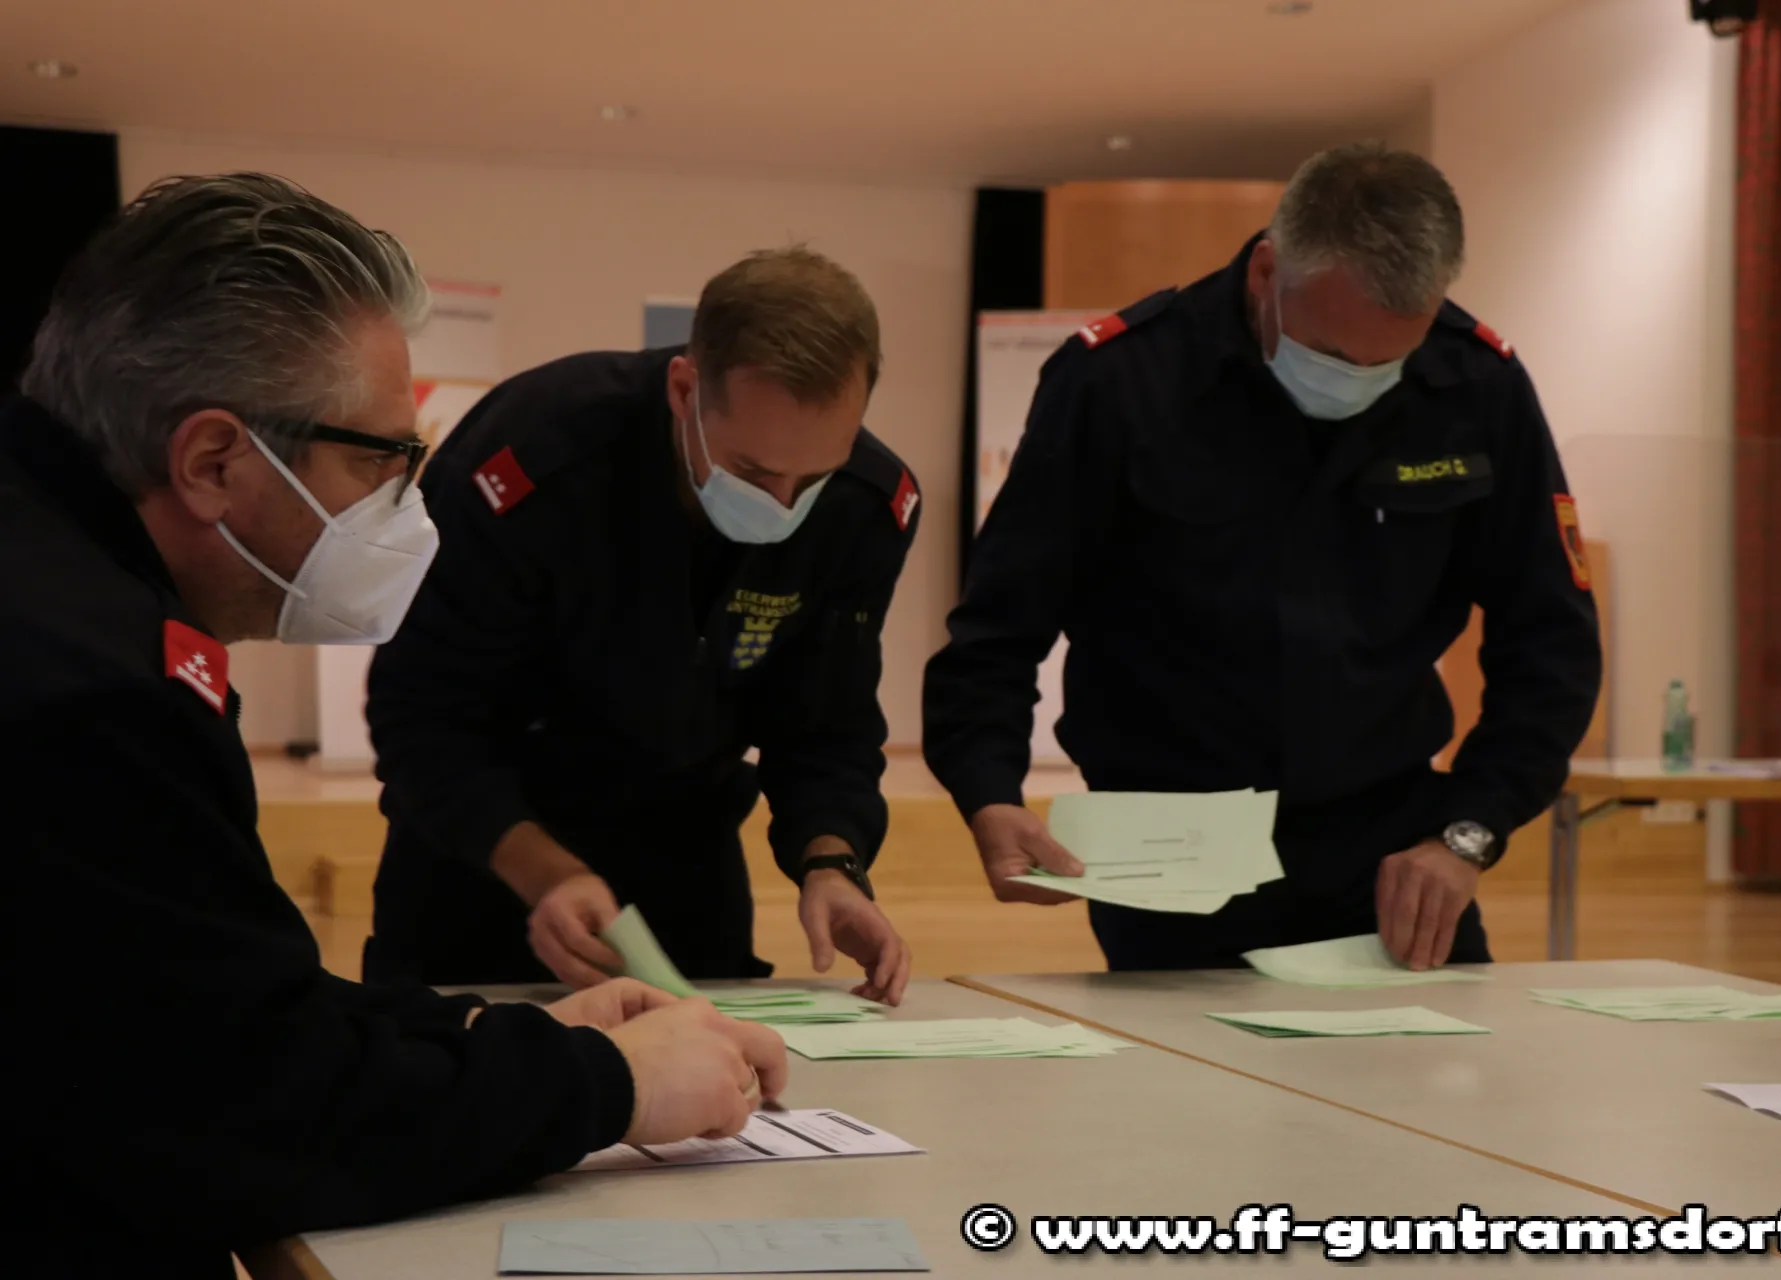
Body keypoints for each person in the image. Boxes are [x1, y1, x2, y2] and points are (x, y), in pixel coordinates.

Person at [0, 173, 787, 1280]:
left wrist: (500, 1038)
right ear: (215, 461)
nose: (405, 503)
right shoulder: (94, 688)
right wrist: (614, 1087)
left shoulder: (54, 575)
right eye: (379, 459)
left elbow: (207, 993)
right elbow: (252, 1108)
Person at [923, 143, 1602, 973]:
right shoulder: (1121, 383)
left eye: (1390, 362)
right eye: (1335, 354)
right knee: (1180, 1063)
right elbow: (998, 629)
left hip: (1392, 850)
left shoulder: (1476, 386)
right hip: (1172, 857)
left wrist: (1470, 832)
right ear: (1265, 271)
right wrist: (988, 792)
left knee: (1448, 1054)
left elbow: (1552, 644)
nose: (1361, 379)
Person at [361, 246, 918, 1003]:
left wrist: (833, 864)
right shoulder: (535, 457)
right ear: (685, 389)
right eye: (754, 472)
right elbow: (421, 714)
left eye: (814, 476)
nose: (786, 503)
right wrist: (548, 875)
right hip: (484, 861)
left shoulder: (864, 504)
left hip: (686, 869)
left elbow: (827, 724)